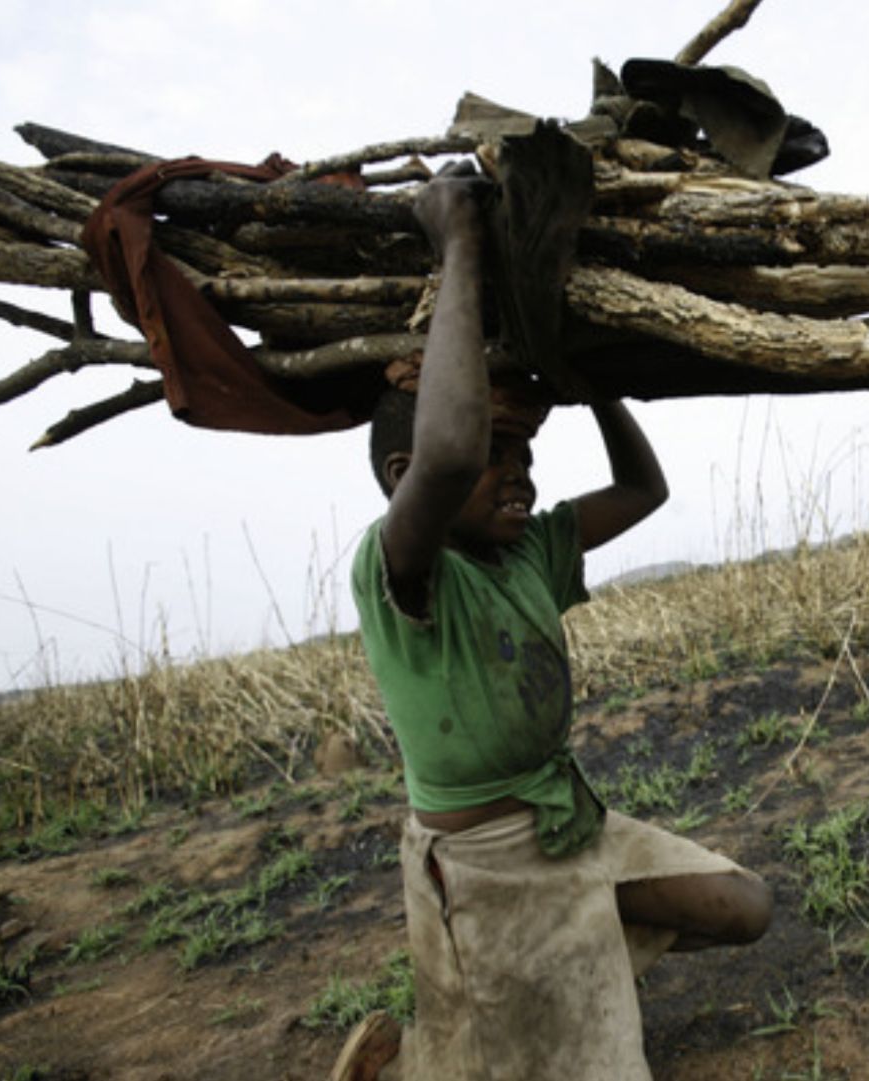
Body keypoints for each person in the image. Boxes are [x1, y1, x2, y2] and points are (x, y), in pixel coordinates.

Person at [332, 167, 772, 1081]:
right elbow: (448, 449)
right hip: (483, 872)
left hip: (572, 830)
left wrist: (593, 381)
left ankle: (574, 956)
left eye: (528, 451)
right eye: (499, 454)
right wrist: (456, 241)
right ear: (403, 476)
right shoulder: (405, 571)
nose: (519, 472)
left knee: (744, 904)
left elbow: (645, 490)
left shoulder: (529, 551)